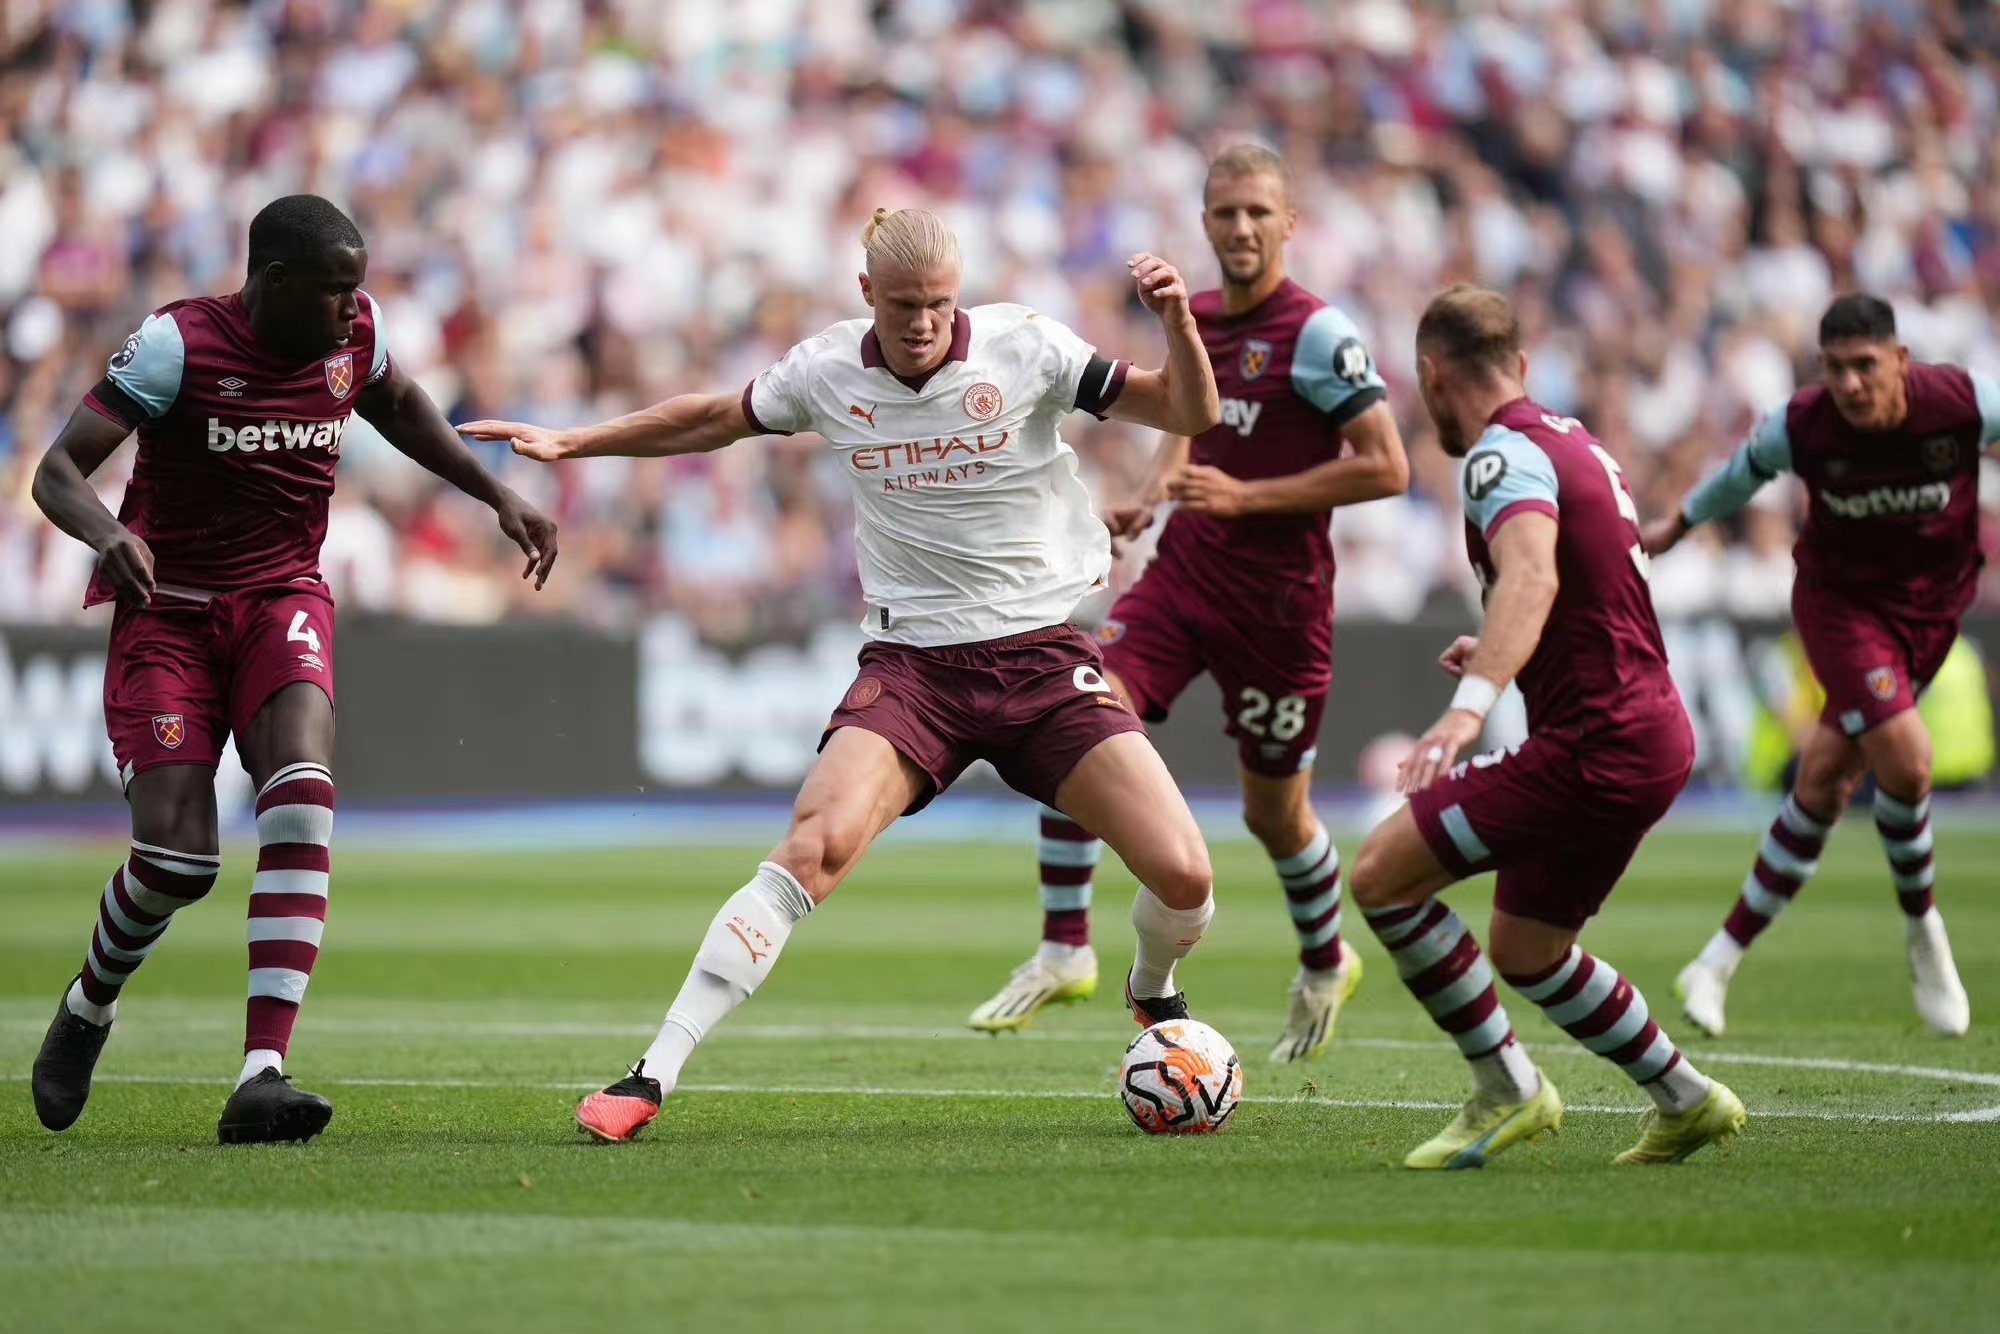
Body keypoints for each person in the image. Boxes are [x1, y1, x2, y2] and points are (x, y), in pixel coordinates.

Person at [463, 207, 1222, 1143]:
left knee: (1186, 874)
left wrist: (1178, 322)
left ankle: (1154, 991)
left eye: (939, 304)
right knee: (810, 848)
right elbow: (714, 418)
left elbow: (1190, 413)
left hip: (1043, 655)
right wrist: (578, 442)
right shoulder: (826, 370)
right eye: (903, 305)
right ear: (867, 293)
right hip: (914, 669)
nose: (922, 323)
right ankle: (651, 1073)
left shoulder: (1031, 349)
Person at [29, 195, 559, 1144]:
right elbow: (57, 472)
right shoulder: (175, 347)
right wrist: (108, 534)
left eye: (359, 290)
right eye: (332, 292)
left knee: (304, 795)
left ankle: (262, 1072)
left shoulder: (358, 332)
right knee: (177, 863)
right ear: (273, 284)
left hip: (282, 601)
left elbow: (397, 405)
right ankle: (89, 1005)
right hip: (171, 616)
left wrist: (496, 496)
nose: (352, 310)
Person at [966, 144, 1408, 1064]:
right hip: (1185, 577)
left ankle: (1327, 959)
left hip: (1282, 609)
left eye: (1257, 213)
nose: (1240, 229)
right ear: (1205, 222)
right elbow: (1185, 425)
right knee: (1083, 712)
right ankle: (1065, 947)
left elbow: (1386, 465)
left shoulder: (1320, 335)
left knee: (1273, 815)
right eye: (1224, 213)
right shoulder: (1197, 318)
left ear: (1289, 223)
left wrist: (1247, 497)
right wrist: (1157, 492)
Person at [1347, 284, 1744, 1169]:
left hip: (1595, 741)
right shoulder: (1575, 441)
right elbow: (1590, 597)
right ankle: (1686, 1099)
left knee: (1381, 877)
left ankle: (1508, 1088)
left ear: (1431, 374)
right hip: (1649, 731)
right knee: (1527, 948)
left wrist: (1467, 710)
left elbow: (1532, 579)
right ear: (1522, 366)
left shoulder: (1497, 457)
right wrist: (1502, 650)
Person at [1649, 294, 1989, 1039]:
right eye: (1835, 369)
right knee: (1907, 761)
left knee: (1826, 780)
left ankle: (1715, 961)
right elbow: (1741, 474)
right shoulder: (1803, 425)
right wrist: (1680, 522)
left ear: (1900, 361)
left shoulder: (1963, 404)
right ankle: (1924, 932)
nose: (1851, 384)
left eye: (1865, 365)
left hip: (1929, 615)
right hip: (1842, 611)